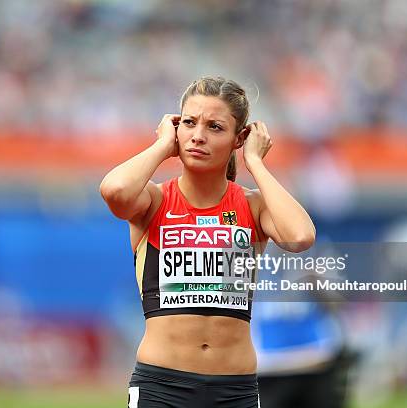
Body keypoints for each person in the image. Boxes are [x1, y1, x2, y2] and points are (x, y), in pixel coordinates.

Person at [100, 76, 316, 408]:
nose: (198, 136)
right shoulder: (154, 200)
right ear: (175, 129)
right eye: (189, 123)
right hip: (161, 387)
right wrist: (161, 147)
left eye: (215, 127)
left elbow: (300, 236)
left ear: (239, 138)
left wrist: (255, 162)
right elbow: (115, 192)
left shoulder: (252, 206)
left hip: (235, 391)